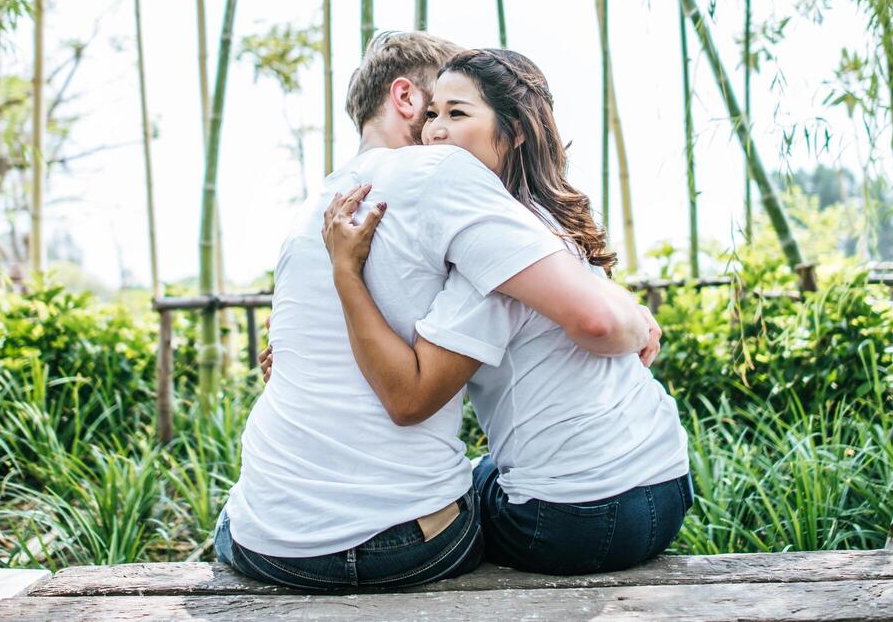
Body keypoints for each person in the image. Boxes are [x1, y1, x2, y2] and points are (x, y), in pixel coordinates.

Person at [216, 32, 660, 590]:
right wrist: (630, 310)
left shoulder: (314, 208)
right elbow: (579, 305)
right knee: (495, 484)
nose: (439, 130)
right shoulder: (443, 174)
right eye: (435, 109)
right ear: (406, 99)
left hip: (263, 538)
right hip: (400, 544)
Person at [321, 48, 693, 575]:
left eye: (457, 113)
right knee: (485, 470)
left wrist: (345, 274)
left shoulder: (491, 247)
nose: (435, 132)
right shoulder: (547, 217)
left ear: (515, 130)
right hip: (667, 486)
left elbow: (410, 398)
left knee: (435, 505)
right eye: (432, 115)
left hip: (572, 521)